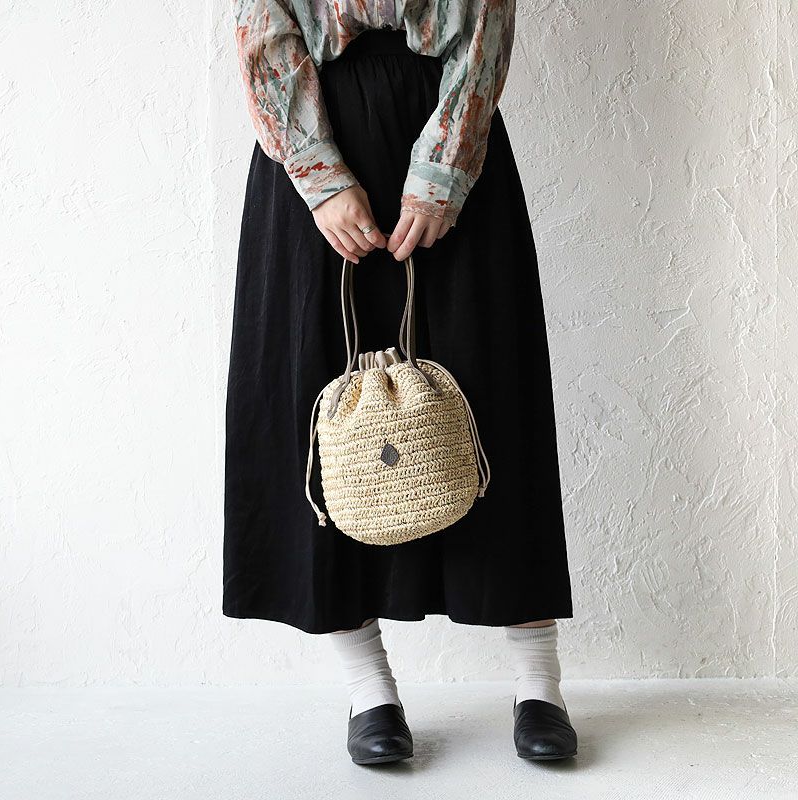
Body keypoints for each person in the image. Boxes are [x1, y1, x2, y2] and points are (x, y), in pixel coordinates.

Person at [224, 0, 577, 765]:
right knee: (317, 409)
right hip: (310, 144)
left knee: (492, 399)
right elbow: (261, 22)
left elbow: (486, 21)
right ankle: (369, 691)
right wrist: (318, 174)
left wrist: (448, 164)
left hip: (451, 130)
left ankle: (539, 683)